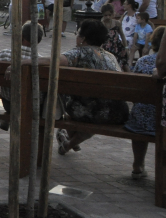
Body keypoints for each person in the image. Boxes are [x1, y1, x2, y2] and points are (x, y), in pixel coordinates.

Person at [54, 20, 129, 155]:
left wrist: (25, 61)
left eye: (77, 34)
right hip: (117, 114)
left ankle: (69, 138)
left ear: (83, 39)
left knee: (71, 104)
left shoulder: (80, 52)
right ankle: (69, 142)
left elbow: (55, 61)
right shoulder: (111, 57)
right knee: (94, 105)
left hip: (92, 113)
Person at [0, 22, 43, 130]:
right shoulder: (41, 61)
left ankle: (6, 119)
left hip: (10, 105)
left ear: (21, 36)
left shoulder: (4, 55)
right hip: (33, 107)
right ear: (39, 41)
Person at [124, 26, 165, 179]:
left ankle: (138, 164)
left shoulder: (143, 61)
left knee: (141, 110)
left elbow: (134, 93)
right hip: (161, 121)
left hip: (141, 121)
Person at [101, 6, 129, 71]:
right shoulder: (101, 24)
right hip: (105, 46)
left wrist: (126, 47)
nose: (108, 17)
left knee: (122, 62)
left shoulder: (117, 23)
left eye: (109, 15)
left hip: (116, 46)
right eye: (105, 15)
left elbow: (122, 35)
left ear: (112, 14)